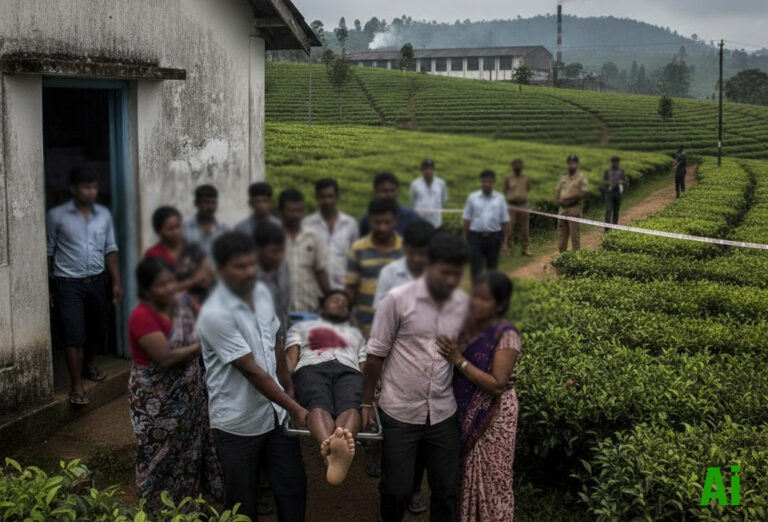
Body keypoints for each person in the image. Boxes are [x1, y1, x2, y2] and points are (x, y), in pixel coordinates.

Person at [198, 231, 308, 522]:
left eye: (251, 264)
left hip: (275, 414)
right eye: (240, 266)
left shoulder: (260, 292)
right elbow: (251, 370)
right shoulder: (214, 313)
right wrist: (294, 407)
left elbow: (274, 342)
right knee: (242, 504)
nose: (249, 271)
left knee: (293, 489)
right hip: (237, 424)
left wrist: (289, 386)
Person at [362, 233, 470, 522]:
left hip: (443, 411)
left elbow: (467, 348)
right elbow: (375, 356)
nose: (450, 279)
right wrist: (365, 404)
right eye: (445, 271)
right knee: (396, 490)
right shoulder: (396, 300)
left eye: (456, 272)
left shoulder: (462, 304)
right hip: (400, 411)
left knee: (446, 489)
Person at [127, 257, 223, 510]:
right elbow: (166, 357)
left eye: (171, 281)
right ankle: (156, 510)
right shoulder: (141, 316)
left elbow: (208, 321)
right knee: (158, 458)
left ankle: (188, 508)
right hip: (156, 404)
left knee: (190, 453)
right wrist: (205, 343)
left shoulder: (183, 302)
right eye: (161, 285)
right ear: (146, 290)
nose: (169, 288)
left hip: (190, 398)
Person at [436, 271, 521, 522]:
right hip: (465, 413)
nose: (476, 303)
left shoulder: (506, 335)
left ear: (500, 304)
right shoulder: (469, 328)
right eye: (475, 296)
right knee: (465, 478)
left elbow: (497, 385)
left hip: (494, 416)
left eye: (485, 299)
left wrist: (458, 360)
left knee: (493, 479)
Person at [46, 167, 123, 405]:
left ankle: (89, 365)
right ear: (73, 189)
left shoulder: (103, 215)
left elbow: (110, 248)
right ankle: (76, 386)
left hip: (98, 280)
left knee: (97, 328)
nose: (90, 192)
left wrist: (116, 282)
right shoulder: (57, 216)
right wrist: (47, 286)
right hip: (68, 283)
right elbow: (49, 251)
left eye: (93, 187)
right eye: (85, 187)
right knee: (73, 335)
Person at [285, 291, 366, 485]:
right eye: (335, 301)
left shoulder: (357, 333)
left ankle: (335, 452)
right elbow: (291, 358)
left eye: (344, 304)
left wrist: (370, 387)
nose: (340, 304)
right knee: (317, 404)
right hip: (312, 367)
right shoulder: (301, 327)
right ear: (321, 309)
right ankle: (331, 453)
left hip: (349, 369)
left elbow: (363, 362)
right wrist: (287, 384)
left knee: (351, 406)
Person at [345, 198, 404, 334]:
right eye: (377, 222)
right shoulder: (358, 248)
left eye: (387, 222)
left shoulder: (405, 249)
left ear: (396, 221)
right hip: (364, 326)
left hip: (397, 328)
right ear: (370, 220)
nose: (382, 227)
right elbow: (351, 288)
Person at [145, 206, 216, 304]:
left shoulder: (193, 249)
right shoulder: (154, 254)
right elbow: (161, 289)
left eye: (178, 227)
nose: (175, 232)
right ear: (158, 231)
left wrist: (179, 286)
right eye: (170, 229)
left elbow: (207, 277)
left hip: (201, 304)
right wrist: (194, 281)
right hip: (169, 306)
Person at [278, 189, 331, 312]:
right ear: (281, 211)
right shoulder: (273, 236)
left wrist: (329, 298)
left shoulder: (312, 236)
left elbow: (320, 271)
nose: (295, 215)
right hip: (279, 311)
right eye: (291, 211)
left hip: (308, 308)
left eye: (299, 210)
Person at [303, 178, 359, 291]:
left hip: (342, 289)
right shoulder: (307, 224)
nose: (327, 201)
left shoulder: (350, 224)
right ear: (317, 198)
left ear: (337, 197)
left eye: (330, 196)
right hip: (314, 291)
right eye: (323, 197)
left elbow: (355, 258)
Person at [374, 219, 436, 306]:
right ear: (403, 246)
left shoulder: (439, 275)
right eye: (412, 253)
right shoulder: (389, 273)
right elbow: (380, 313)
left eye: (422, 254)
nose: (416, 259)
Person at [462, 170, 511, 279]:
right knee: (475, 269)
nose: (487, 184)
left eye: (489, 181)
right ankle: (476, 293)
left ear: (493, 182)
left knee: (492, 269)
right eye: (484, 181)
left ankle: (490, 293)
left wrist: (506, 241)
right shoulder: (472, 198)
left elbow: (505, 221)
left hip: (494, 237)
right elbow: (467, 219)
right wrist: (464, 238)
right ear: (481, 182)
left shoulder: (500, 199)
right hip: (475, 238)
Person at [254, 222, 291, 343]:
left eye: (281, 251)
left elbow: (284, 309)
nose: (279, 256)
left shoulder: (283, 266)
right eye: (274, 251)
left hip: (281, 341)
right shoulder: (248, 276)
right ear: (258, 249)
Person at [359, 172, 421, 237]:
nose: (390, 194)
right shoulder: (367, 219)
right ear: (375, 192)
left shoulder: (411, 217)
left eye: (393, 190)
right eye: (384, 191)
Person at [183, 184, 230, 257]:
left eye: (214, 203)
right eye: (206, 202)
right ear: (196, 203)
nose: (211, 207)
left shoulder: (225, 230)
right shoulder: (184, 229)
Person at [555, 155, 589, 253]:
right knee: (562, 232)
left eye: (573, 163)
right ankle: (562, 254)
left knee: (574, 233)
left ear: (577, 165)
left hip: (574, 208)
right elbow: (558, 190)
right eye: (570, 163)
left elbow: (584, 192)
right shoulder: (564, 177)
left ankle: (576, 256)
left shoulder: (581, 178)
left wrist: (570, 197)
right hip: (562, 208)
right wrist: (557, 199)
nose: (571, 165)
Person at [503, 159, 532, 257]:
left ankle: (525, 248)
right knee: (509, 228)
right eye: (515, 164)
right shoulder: (508, 178)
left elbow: (527, 188)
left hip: (523, 205)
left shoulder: (526, 178)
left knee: (525, 228)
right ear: (513, 166)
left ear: (521, 166)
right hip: (511, 205)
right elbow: (505, 190)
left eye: (519, 164)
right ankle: (508, 248)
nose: (517, 166)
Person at [410, 159, 447, 229]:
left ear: (433, 170)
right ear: (422, 170)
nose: (428, 171)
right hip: (420, 221)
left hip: (435, 222)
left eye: (430, 169)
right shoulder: (415, 184)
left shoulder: (441, 183)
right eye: (425, 169)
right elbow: (413, 202)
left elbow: (443, 200)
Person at [603, 156, 628, 228]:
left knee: (616, 211)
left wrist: (621, 181)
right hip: (609, 193)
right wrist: (609, 183)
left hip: (617, 192)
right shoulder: (607, 171)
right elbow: (604, 181)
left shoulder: (621, 171)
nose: (615, 164)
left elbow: (624, 181)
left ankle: (614, 227)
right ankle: (607, 229)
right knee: (608, 210)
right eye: (614, 162)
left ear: (618, 163)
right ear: (612, 163)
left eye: (616, 162)